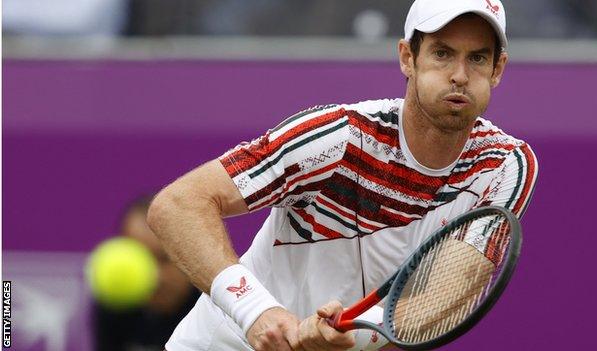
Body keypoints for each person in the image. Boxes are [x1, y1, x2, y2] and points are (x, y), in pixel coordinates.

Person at [147, 0, 538, 350]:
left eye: (477, 59)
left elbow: (440, 299)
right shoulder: (338, 137)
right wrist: (257, 313)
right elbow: (177, 205)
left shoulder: (505, 166)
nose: (459, 75)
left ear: (497, 68)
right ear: (407, 58)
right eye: (441, 53)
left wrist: (347, 334)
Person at [93, 195, 201, 351]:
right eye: (141, 260)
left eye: (164, 259)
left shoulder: (214, 309)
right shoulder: (112, 307)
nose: (155, 276)